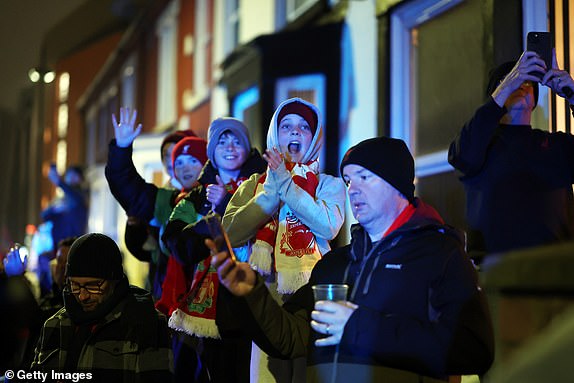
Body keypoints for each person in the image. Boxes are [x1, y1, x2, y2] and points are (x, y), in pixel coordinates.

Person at [210, 136, 495, 382]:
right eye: (348, 179)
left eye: (364, 177)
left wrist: (360, 327)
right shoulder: (336, 264)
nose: (352, 188)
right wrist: (251, 294)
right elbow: (291, 338)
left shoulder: (440, 254)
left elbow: (472, 349)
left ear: (397, 184)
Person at [222, 98, 347, 382]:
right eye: (286, 125)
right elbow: (230, 233)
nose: (295, 132)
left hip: (311, 298)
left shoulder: (329, 184)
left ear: (315, 138)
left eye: (304, 127)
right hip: (266, 296)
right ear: (274, 135)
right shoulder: (252, 184)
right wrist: (270, 193)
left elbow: (328, 226)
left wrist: (286, 186)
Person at [160, 117, 266, 382]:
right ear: (212, 151)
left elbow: (266, 226)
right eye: (222, 141)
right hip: (209, 310)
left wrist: (227, 204)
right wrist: (210, 220)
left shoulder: (262, 186)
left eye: (236, 141)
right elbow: (177, 244)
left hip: (254, 299)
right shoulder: (195, 195)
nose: (230, 147)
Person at [448, 49, 574, 257]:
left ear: (535, 100)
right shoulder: (478, 144)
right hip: (494, 273)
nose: (520, 85)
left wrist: (572, 94)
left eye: (527, 82)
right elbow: (461, 157)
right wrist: (507, 85)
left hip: (554, 272)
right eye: (510, 82)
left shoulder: (557, 145)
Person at [31, 233, 173, 382]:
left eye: (93, 286)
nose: (82, 296)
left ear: (114, 280)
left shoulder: (146, 322)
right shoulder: (55, 325)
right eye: (75, 285)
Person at [39, 164, 88, 295]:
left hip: (73, 246)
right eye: (68, 175)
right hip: (57, 247)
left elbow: (75, 199)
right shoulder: (61, 200)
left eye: (74, 175)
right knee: (47, 268)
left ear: (81, 179)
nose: (70, 178)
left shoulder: (81, 195)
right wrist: (56, 208)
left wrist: (59, 182)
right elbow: (44, 215)